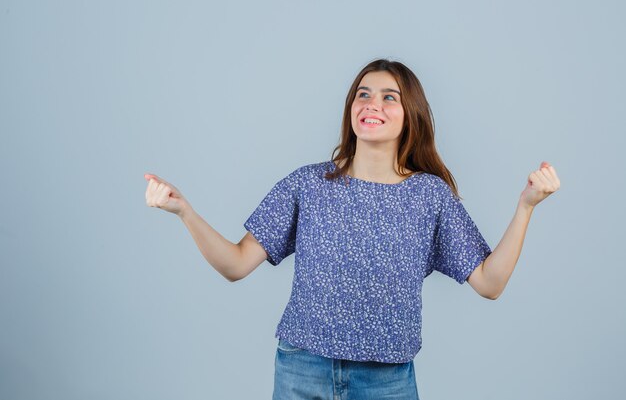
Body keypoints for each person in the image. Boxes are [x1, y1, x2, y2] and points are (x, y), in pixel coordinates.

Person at [144, 58, 560, 400]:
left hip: (387, 380)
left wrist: (525, 208)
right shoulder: (307, 184)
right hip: (301, 369)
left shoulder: (429, 195)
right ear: (350, 108)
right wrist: (186, 213)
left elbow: (490, 282)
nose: (371, 103)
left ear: (409, 114)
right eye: (363, 94)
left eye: (388, 97)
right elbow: (235, 265)